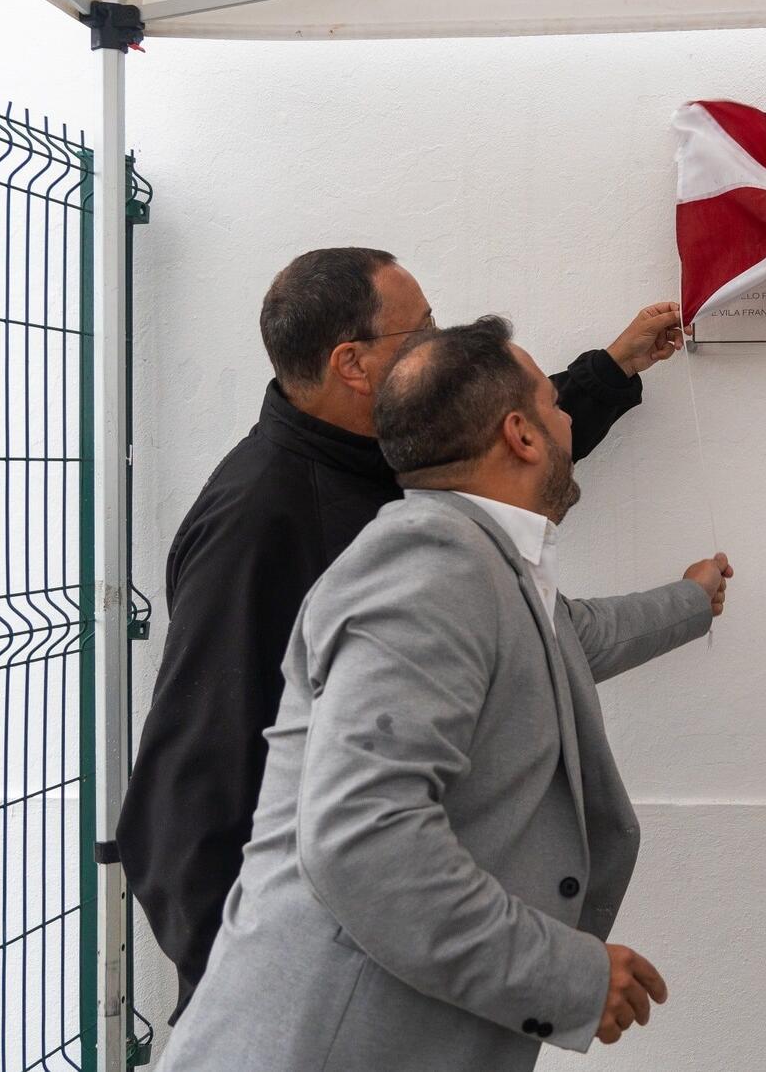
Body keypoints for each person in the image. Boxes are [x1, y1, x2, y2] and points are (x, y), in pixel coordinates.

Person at [117, 247, 687, 1018]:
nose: (438, 344)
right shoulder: (259, 524)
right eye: (418, 331)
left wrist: (611, 372)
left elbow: (495, 443)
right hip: (300, 997)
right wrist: (248, 988)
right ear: (352, 364)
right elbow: (188, 797)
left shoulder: (374, 456)